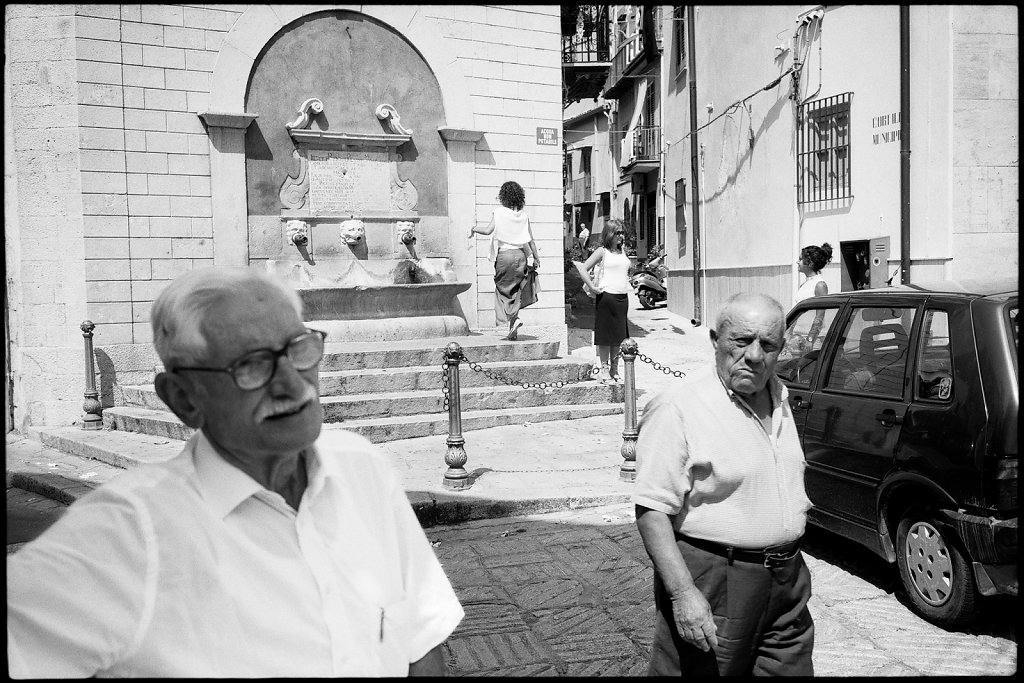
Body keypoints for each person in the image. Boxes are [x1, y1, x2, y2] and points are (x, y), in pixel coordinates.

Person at [6, 267, 465, 677]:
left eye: (298, 348)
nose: (292, 383)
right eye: (251, 366)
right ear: (183, 399)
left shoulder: (362, 466)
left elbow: (420, 639)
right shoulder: (131, 535)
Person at [632, 293, 814, 676]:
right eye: (741, 341)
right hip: (717, 578)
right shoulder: (678, 407)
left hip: (786, 579)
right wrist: (683, 594)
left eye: (767, 344)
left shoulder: (779, 396)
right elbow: (651, 510)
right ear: (715, 340)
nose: (753, 355)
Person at [469, 180, 540, 341]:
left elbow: (488, 230)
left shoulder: (499, 212)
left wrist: (473, 228)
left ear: (503, 196)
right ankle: (513, 327)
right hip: (521, 255)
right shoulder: (524, 216)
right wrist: (536, 258)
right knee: (516, 291)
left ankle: (513, 319)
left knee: (502, 291)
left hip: (505, 255)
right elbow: (531, 240)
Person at [578, 219, 632, 384]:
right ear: (609, 234)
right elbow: (582, 267)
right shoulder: (602, 251)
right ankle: (604, 370)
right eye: (617, 233)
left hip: (622, 297)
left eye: (622, 232)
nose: (621, 236)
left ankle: (615, 369)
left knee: (618, 336)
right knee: (605, 337)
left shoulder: (622, 251)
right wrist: (591, 287)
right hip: (606, 296)